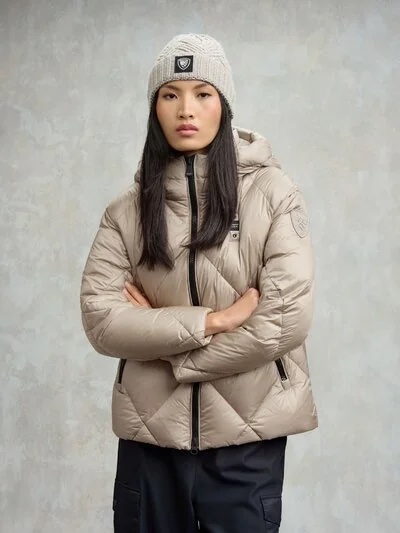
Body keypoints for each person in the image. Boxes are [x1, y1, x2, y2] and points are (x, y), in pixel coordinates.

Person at [80, 33, 318, 533]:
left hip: (247, 442)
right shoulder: (125, 211)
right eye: (170, 94)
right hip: (150, 444)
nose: (185, 109)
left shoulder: (274, 194)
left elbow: (283, 320)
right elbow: (102, 320)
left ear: (223, 105)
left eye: (202, 93)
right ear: (155, 108)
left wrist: (170, 351)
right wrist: (214, 321)